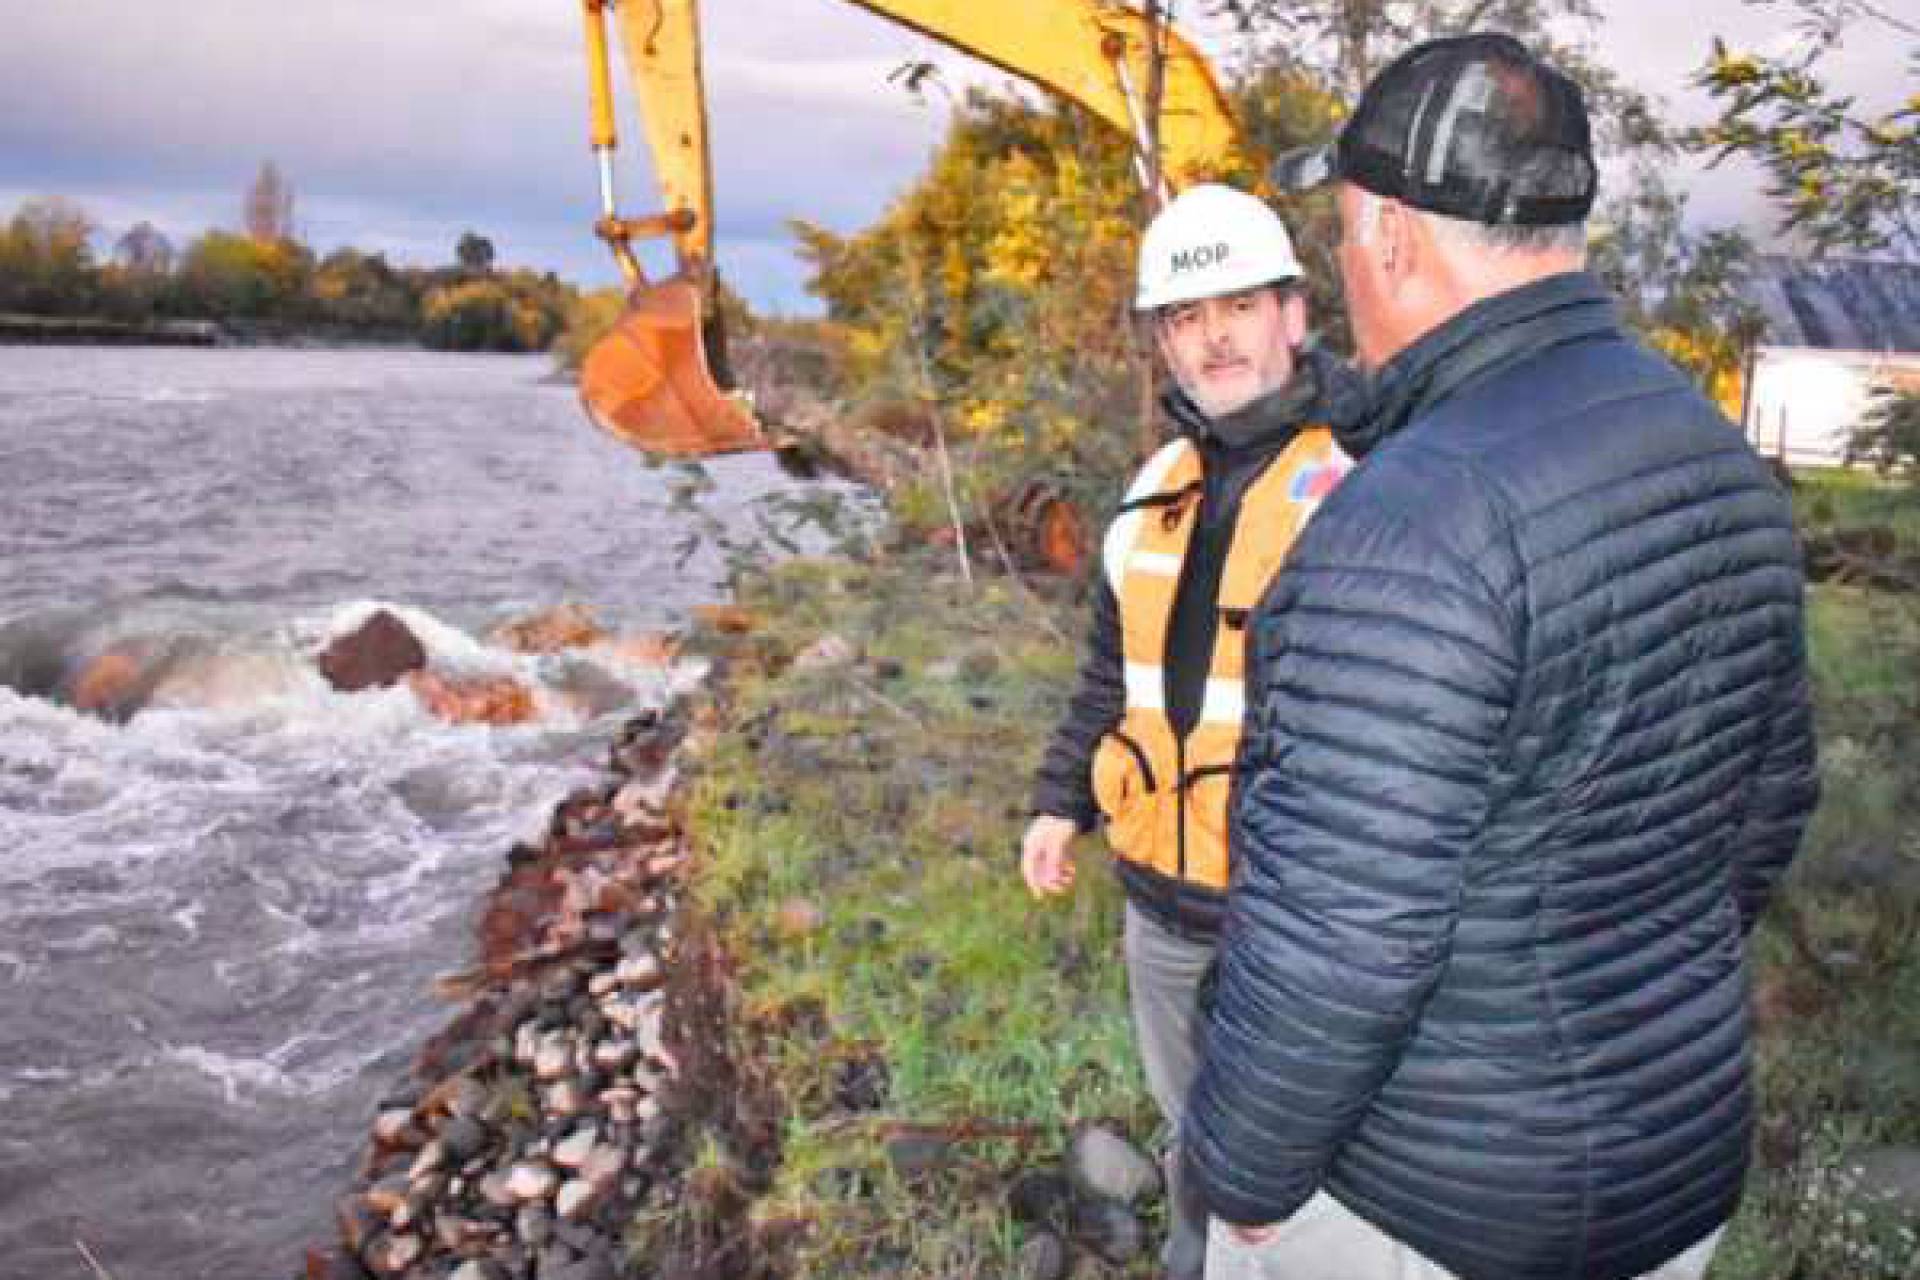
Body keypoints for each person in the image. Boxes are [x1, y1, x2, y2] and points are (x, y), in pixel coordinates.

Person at [1179, 32, 1820, 1280]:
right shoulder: (1708, 451)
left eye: (1347, 231)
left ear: (1389, 237)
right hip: (1670, 1173)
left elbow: (1342, 944)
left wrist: (1245, 1177)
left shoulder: (1409, 528)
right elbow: (1768, 800)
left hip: (1426, 1212)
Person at [1021, 182, 1366, 1280]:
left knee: (1308, 1156)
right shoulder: (1154, 488)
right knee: (1192, 1126)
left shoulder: (1369, 474)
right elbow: (1105, 676)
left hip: (1296, 915)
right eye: (1185, 314)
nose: (1212, 335)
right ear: (1164, 341)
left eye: (1237, 305)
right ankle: (1193, 1248)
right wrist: (1057, 802)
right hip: (1161, 904)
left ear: (1293, 315)